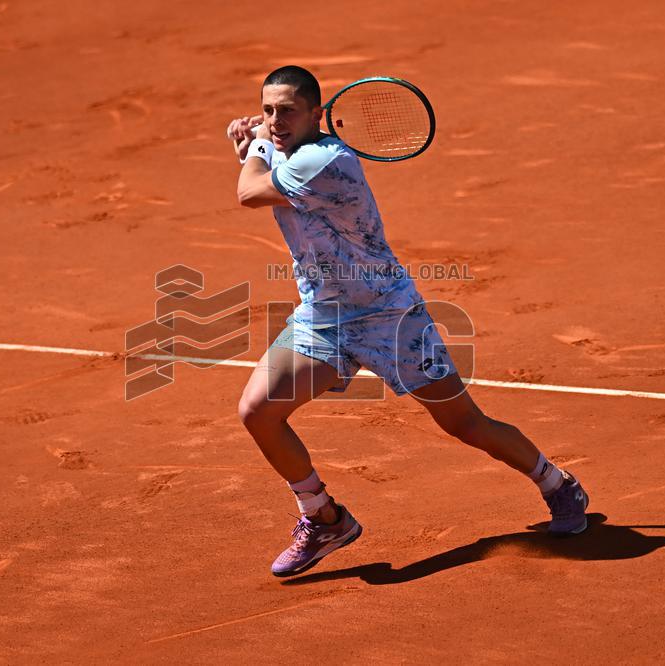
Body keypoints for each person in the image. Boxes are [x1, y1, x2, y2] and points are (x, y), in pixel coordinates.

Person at [226, 65, 589, 578]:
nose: (275, 119)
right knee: (257, 411)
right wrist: (254, 146)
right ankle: (323, 517)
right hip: (324, 317)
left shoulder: (326, 161)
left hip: (391, 318)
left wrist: (255, 145)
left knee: (464, 423)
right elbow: (259, 177)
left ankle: (556, 483)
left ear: (316, 113)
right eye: (267, 110)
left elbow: (248, 192)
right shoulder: (291, 154)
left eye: (287, 110)